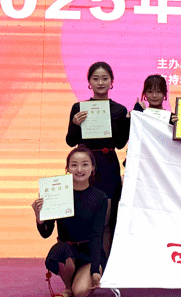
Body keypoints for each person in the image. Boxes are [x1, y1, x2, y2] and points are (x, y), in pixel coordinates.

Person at [65, 62, 129, 255]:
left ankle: (105, 262)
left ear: (111, 82)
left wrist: (127, 122)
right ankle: (86, 260)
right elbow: (71, 141)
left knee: (108, 219)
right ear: (89, 82)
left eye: (104, 78)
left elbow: (120, 144)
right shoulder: (79, 108)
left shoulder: (119, 110)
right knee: (85, 215)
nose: (100, 82)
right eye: (96, 78)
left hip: (108, 165)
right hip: (84, 166)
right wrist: (75, 124)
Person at [32, 146, 108, 297]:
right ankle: (67, 287)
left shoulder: (100, 197)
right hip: (68, 254)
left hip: (89, 253)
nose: (79, 169)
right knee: (61, 248)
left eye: (85, 164)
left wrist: (95, 270)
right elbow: (46, 233)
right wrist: (39, 218)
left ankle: (80, 280)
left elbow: (97, 235)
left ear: (93, 168)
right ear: (67, 168)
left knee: (80, 292)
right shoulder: (57, 193)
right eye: (74, 165)